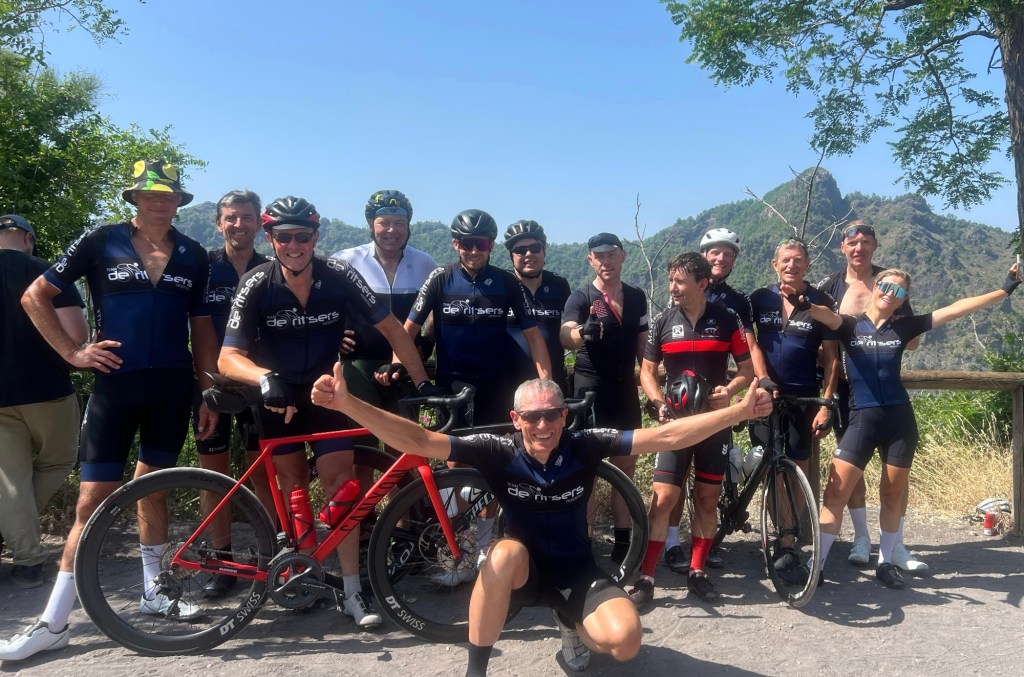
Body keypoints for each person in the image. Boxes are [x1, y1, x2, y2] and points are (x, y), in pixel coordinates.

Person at [311, 366, 773, 676]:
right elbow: (419, 439)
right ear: (516, 419)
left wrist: (738, 411)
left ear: (564, 416)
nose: (544, 425)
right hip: (520, 573)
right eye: (532, 417)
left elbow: (668, 435)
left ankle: (570, 621)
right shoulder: (497, 449)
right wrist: (349, 404)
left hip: (575, 570)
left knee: (627, 642)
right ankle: (476, 671)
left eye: (553, 415)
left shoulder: (585, 443)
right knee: (504, 553)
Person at [2, 160, 219, 662]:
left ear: (178, 201)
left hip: (171, 387)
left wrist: (207, 390)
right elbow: (36, 296)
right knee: (92, 502)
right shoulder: (101, 240)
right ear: (134, 198)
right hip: (115, 387)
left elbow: (203, 326)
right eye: (149, 194)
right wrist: (73, 353)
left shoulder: (193, 253)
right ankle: (54, 622)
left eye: (167, 194)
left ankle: (154, 591)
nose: (158, 202)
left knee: (156, 489)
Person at [218, 195, 436, 628]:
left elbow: (393, 329)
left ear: (316, 238)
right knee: (294, 487)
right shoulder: (256, 282)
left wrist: (423, 384)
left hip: (326, 394)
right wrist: (263, 377)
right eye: (284, 237)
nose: (294, 245)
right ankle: (305, 575)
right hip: (278, 398)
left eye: (303, 236)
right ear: (270, 239)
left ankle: (352, 590)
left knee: (343, 489)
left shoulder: (338, 274)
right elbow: (228, 357)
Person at [790, 264, 1020, 589]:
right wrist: (805, 305)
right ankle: (818, 564)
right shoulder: (851, 325)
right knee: (834, 494)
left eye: (898, 291)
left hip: (900, 423)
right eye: (885, 286)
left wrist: (1005, 289)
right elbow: (827, 316)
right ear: (875, 287)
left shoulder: (904, 327)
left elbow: (956, 309)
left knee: (892, 496)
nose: (889, 293)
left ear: (903, 300)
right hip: (861, 420)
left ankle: (885, 563)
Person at [634, 253, 754, 604]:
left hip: (713, 422)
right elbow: (647, 372)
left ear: (702, 284)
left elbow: (746, 369)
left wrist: (729, 390)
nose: (673, 287)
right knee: (663, 499)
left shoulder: (727, 318)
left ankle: (697, 572)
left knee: (706, 499)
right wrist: (658, 402)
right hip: (675, 423)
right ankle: (646, 577)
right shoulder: (663, 321)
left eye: (680, 282)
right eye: (670, 280)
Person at [816, 220, 925, 572]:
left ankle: (896, 546)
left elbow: (912, 341)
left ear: (875, 245)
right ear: (842, 247)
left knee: (895, 473)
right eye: (852, 242)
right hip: (845, 389)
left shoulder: (889, 284)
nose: (859, 248)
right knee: (851, 468)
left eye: (865, 242)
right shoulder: (830, 287)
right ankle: (861, 537)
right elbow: (820, 338)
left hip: (882, 388)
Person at [0, 215, 86, 590]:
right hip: (48, 389)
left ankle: (28, 561)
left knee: (11, 480)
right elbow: (77, 334)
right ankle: (18, 540)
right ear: (28, 239)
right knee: (59, 460)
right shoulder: (48, 272)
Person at [404, 209, 552, 426]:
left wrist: (547, 387)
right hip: (451, 383)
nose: (474, 251)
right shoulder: (439, 278)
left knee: (494, 443)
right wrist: (421, 382)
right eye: (467, 243)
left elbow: (534, 338)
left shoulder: (508, 282)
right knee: (453, 447)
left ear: (491, 245)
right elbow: (406, 333)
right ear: (456, 244)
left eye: (481, 244)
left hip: (495, 384)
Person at [194, 190, 272, 599]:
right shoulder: (204, 268)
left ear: (259, 223)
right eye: (231, 217)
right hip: (212, 384)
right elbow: (198, 330)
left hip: (258, 384)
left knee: (264, 473)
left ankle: (271, 557)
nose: (238, 224)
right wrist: (205, 391)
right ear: (218, 222)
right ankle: (220, 562)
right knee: (214, 474)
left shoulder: (271, 267)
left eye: (246, 217)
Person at [748, 238, 839, 576]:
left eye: (798, 259)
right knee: (770, 465)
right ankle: (783, 535)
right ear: (775, 264)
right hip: (765, 395)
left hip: (805, 396)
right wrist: (760, 379)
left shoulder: (821, 301)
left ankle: (788, 538)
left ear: (807, 264)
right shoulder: (760, 298)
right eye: (785, 260)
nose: (792, 265)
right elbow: (749, 342)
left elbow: (832, 359)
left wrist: (826, 403)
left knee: (798, 464)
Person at [560, 232, 648, 563]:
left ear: (622, 256)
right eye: (599, 256)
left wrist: (654, 383)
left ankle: (623, 541)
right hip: (590, 391)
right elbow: (565, 333)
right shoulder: (582, 296)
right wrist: (579, 333)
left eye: (612, 254)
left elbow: (643, 347)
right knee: (587, 468)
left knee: (625, 467)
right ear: (590, 260)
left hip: (624, 390)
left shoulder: (636, 296)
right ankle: (585, 541)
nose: (606, 261)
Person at [332, 190, 437, 445]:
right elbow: (323, 306)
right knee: (363, 449)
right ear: (371, 224)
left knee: (406, 446)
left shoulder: (425, 263)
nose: (392, 230)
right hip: (359, 364)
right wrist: (332, 336)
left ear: (409, 225)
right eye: (384, 222)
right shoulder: (346, 260)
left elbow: (436, 311)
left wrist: (427, 341)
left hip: (405, 366)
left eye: (399, 223)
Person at [503, 220, 571, 392]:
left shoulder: (559, 284)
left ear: (544, 250)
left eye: (535, 248)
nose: (529, 254)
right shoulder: (502, 284)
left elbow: (571, 324)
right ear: (511, 255)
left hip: (552, 383)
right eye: (520, 250)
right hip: (508, 386)